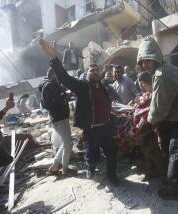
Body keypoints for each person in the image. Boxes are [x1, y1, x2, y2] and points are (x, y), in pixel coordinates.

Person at [137, 36, 178, 214]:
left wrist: (145, 122)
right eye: (142, 61)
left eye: (148, 59)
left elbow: (158, 110)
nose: (145, 64)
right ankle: (176, 191)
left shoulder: (162, 75)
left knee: (175, 175)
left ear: (156, 56)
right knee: (170, 159)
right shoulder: (166, 69)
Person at [39, 39, 119, 186]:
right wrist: (54, 58)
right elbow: (65, 78)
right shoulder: (82, 87)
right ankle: (90, 168)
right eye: (91, 70)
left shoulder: (103, 87)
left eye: (97, 70)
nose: (95, 72)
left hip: (106, 127)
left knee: (111, 153)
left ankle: (112, 176)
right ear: (87, 73)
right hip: (92, 129)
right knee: (92, 155)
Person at [39, 68, 74, 176]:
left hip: (59, 118)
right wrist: (64, 95)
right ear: (52, 75)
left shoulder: (49, 85)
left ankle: (55, 166)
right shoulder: (49, 86)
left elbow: (53, 100)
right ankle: (65, 169)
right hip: (59, 118)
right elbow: (49, 103)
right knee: (68, 143)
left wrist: (66, 96)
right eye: (57, 75)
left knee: (66, 142)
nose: (59, 77)